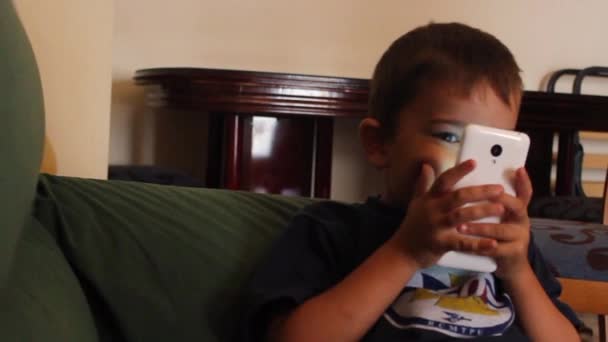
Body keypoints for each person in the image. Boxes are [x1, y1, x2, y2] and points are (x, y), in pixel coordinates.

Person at [240, 22, 585, 341]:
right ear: (379, 143)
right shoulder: (332, 229)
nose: (471, 164)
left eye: (496, 146)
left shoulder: (513, 249)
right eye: (450, 137)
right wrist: (406, 251)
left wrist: (519, 272)